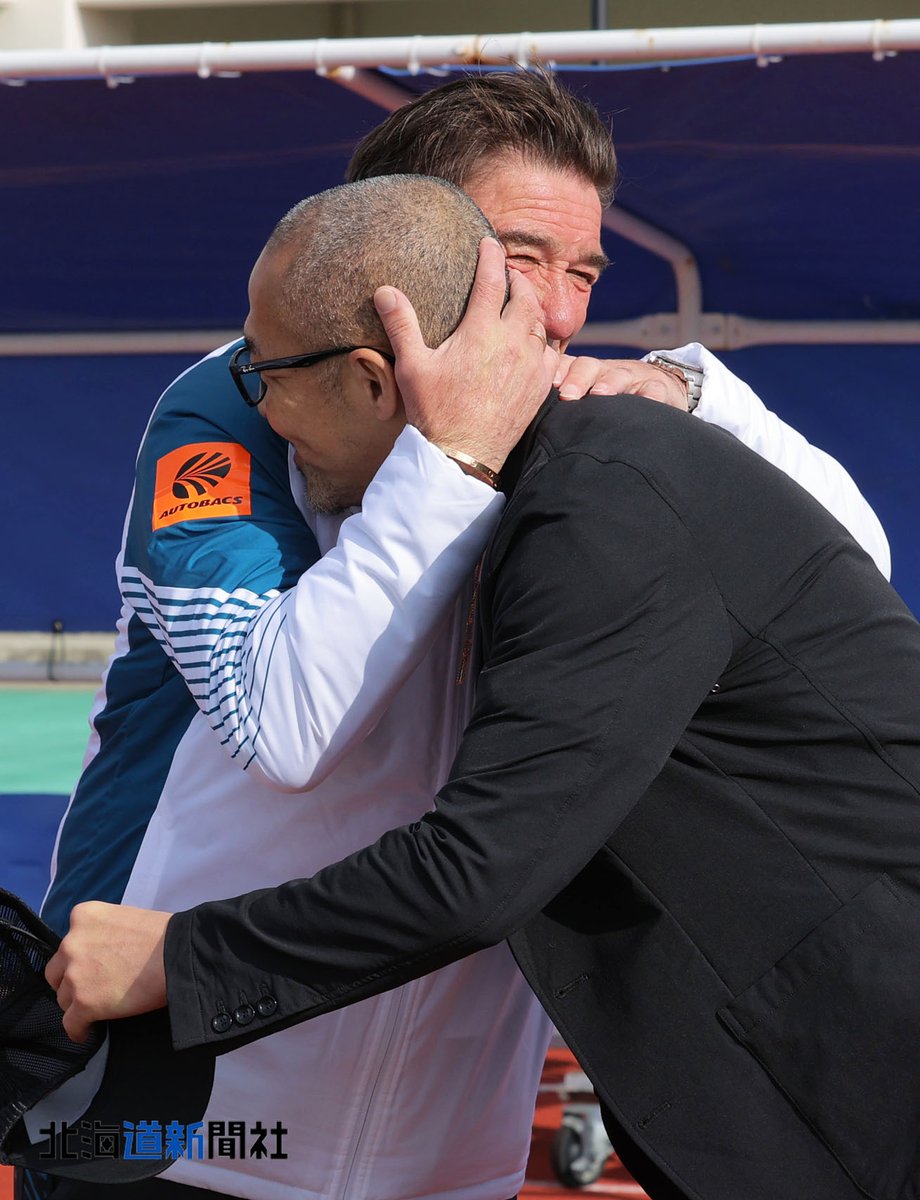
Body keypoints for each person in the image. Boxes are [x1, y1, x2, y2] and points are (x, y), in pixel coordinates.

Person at [36, 72, 888, 1200]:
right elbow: (282, 722)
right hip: (172, 1111)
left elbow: (849, 559)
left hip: (442, 1147)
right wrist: (454, 462)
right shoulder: (246, 399)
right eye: (522, 261)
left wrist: (689, 392)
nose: (561, 315)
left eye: (584, 273)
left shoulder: (583, 429)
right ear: (401, 243)